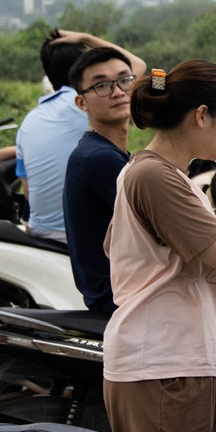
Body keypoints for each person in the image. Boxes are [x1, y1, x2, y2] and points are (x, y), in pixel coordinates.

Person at [104, 60, 216, 432]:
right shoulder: (152, 175)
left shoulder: (162, 174)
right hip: (165, 365)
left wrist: (214, 223)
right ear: (201, 116)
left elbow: (125, 246)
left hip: (183, 360)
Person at [16, 29, 147, 244]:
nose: (116, 91)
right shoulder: (92, 101)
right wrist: (86, 38)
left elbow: (28, 190)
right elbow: (136, 67)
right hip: (79, 236)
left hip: (39, 232)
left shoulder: (29, 120)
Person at [64, 46, 145, 314]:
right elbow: (173, 231)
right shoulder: (100, 158)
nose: (118, 91)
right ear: (81, 103)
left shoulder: (101, 150)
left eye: (124, 80)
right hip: (127, 297)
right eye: (101, 86)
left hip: (131, 288)